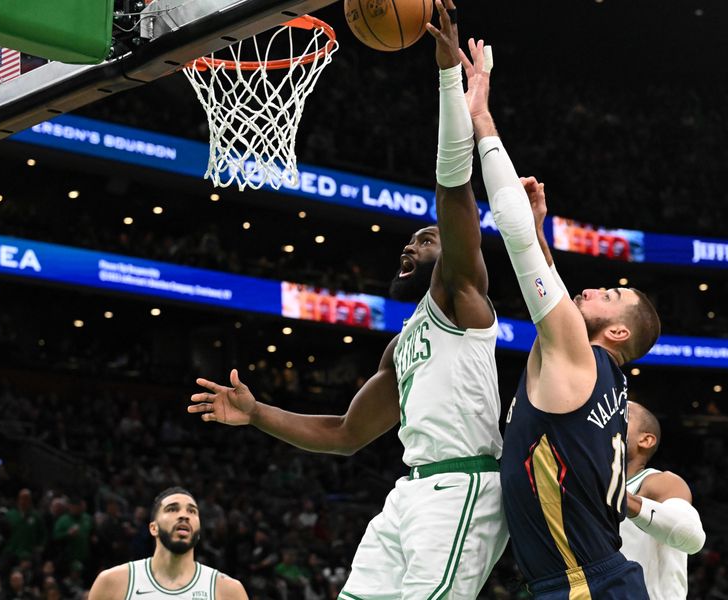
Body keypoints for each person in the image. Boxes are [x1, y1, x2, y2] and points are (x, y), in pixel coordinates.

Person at [188, 2, 509, 597]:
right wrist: (258, 414)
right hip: (409, 492)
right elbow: (344, 433)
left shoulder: (462, 298)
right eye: (414, 237)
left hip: (463, 487)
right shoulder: (402, 344)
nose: (414, 241)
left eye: (428, 236)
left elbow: (454, 187)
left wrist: (445, 75)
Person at [462, 41, 661, 598]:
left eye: (611, 293)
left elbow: (519, 246)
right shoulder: (604, 377)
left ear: (617, 332)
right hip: (590, 577)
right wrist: (542, 235)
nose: (593, 286)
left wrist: (480, 117)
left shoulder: (581, 357)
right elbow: (557, 303)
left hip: (582, 585)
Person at [88, 487, 246, 600]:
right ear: (153, 528)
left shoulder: (228, 591)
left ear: (198, 532)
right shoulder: (112, 583)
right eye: (172, 509)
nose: (184, 515)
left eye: (192, 511)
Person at [619, 401, 706, 599]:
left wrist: (621, 498)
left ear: (646, 440)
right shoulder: (591, 488)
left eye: (623, 414)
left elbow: (691, 537)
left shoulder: (660, 482)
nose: (610, 419)